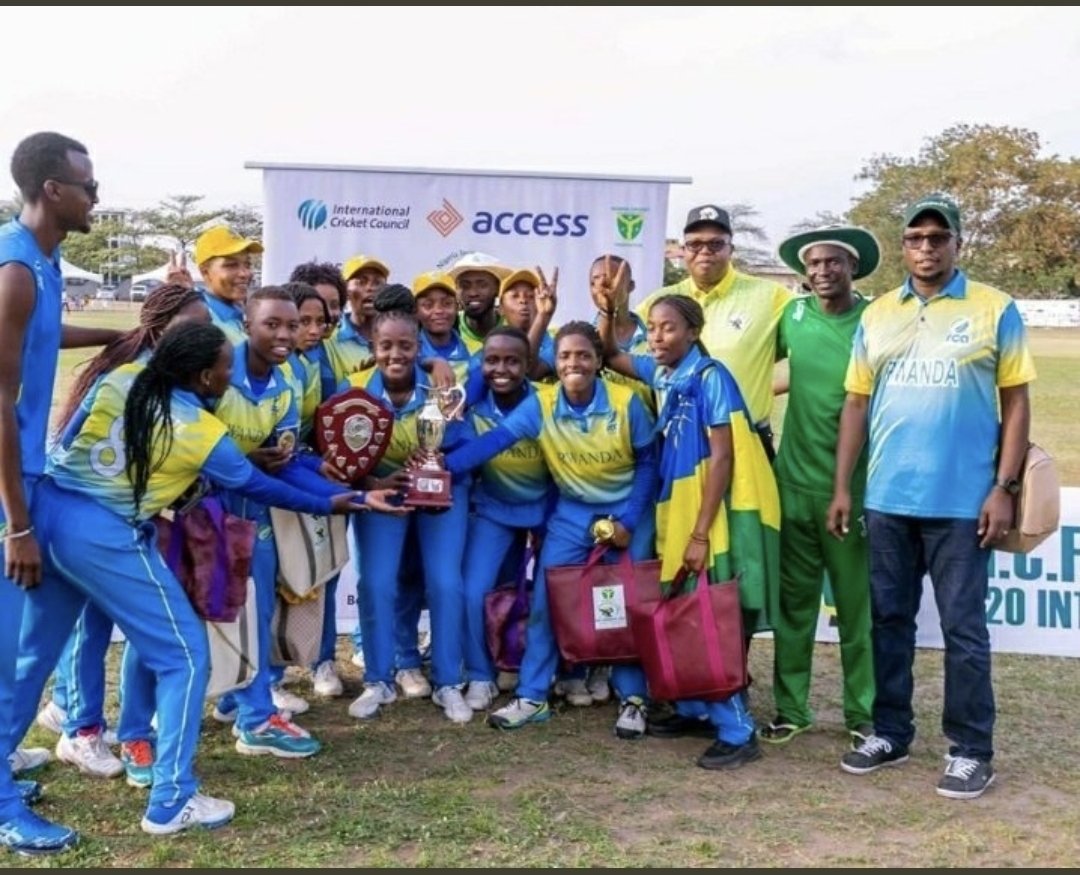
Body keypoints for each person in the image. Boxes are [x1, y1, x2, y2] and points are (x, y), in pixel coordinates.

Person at [9, 321, 397, 836]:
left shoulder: (123, 377)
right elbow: (260, 486)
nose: (229, 375)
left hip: (49, 512)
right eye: (224, 368)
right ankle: (171, 799)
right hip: (102, 534)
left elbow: (71, 437)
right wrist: (334, 501)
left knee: (33, 655)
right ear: (202, 377)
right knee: (185, 655)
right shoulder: (200, 429)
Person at [828, 193, 1036, 800]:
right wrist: (844, 486)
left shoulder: (995, 307)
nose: (926, 248)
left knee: (963, 629)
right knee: (889, 621)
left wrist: (1003, 487)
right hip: (888, 498)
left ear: (957, 244)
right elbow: (857, 403)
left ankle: (972, 749)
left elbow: (1017, 401)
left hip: (964, 502)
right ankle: (890, 732)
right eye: (916, 238)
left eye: (937, 238)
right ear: (903, 247)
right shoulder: (878, 315)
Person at [444, 321, 658, 738]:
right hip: (574, 514)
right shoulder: (541, 405)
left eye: (582, 355)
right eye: (564, 355)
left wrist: (629, 523)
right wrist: (434, 468)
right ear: (554, 363)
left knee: (624, 604)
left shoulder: (625, 401)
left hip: (627, 513)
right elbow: (489, 446)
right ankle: (532, 695)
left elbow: (649, 464)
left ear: (598, 361)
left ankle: (634, 698)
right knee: (547, 600)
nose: (573, 362)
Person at [35, 284, 211, 784]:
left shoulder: (168, 376)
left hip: (117, 519)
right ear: (160, 330)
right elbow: (69, 442)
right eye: (191, 324)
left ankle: (73, 713)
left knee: (95, 623)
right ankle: (81, 729)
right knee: (86, 625)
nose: (203, 333)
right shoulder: (127, 375)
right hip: (90, 520)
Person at [597, 288, 779, 767]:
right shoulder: (666, 373)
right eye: (652, 327)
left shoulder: (709, 376)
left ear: (694, 332)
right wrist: (610, 310)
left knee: (708, 615)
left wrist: (701, 532)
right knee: (684, 606)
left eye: (668, 327)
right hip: (676, 502)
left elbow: (724, 457)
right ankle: (696, 707)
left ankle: (737, 730)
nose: (657, 336)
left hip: (709, 508)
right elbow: (611, 354)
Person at [0, 131, 118, 856]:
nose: (95, 196)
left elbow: (43, 335)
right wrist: (17, 523)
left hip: (33, 477)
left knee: (40, 633)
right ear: (53, 190)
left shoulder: (42, 263)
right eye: (87, 184)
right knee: (4, 644)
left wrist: (117, 337)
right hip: (7, 490)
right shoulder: (13, 267)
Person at [758, 226, 881, 749]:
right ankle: (791, 709)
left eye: (833, 262)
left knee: (857, 609)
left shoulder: (876, 318)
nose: (822, 271)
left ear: (852, 268)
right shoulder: (794, 315)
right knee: (794, 607)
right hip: (793, 483)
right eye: (814, 264)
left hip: (851, 490)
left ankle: (864, 714)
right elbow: (780, 368)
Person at [342, 286, 470, 723]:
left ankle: (449, 683)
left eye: (406, 346)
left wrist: (437, 466)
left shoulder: (440, 387)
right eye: (385, 346)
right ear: (372, 348)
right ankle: (379, 680)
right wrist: (374, 480)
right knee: (376, 583)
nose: (395, 354)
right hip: (384, 493)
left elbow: (463, 445)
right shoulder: (355, 389)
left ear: (420, 348)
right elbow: (342, 457)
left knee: (445, 583)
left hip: (440, 493)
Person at [636, 205, 794, 460]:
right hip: (679, 446)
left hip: (747, 443)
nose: (704, 252)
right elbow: (627, 357)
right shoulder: (658, 302)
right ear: (683, 251)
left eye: (716, 244)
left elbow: (813, 350)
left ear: (731, 249)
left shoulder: (771, 296)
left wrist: (762, 390)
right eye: (695, 244)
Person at [459, 326, 554, 711]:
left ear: (528, 365)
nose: (501, 369)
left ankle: (550, 672)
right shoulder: (469, 407)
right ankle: (480, 674)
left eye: (512, 361)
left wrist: (548, 520)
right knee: (473, 590)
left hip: (545, 509)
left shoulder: (548, 402)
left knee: (550, 592)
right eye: (492, 360)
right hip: (494, 509)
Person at [323, 254, 390, 383]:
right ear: (346, 291)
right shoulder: (329, 340)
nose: (370, 288)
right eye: (361, 282)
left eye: (377, 282)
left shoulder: (398, 337)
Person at [192, 225, 264, 344]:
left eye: (247, 264)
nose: (244, 273)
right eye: (231, 265)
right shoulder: (201, 323)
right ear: (205, 271)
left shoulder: (242, 314)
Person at [448, 252, 511, 353]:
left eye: (482, 285)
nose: (473, 293)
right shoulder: (447, 328)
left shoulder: (513, 328)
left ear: (497, 289)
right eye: (465, 286)